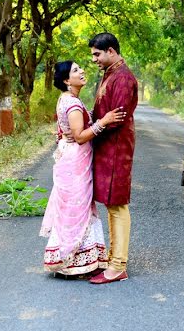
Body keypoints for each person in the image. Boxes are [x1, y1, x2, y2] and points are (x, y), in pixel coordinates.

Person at [40, 61, 125, 278]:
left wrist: (64, 134)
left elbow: (65, 130)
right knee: (77, 209)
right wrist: (104, 121)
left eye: (80, 68)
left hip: (71, 159)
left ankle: (75, 260)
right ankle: (73, 263)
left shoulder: (67, 99)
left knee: (75, 208)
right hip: (75, 163)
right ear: (67, 80)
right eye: (76, 70)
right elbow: (79, 137)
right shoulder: (73, 104)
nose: (82, 71)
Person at [87, 32, 138, 285]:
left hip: (117, 149)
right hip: (107, 148)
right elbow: (102, 113)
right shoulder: (110, 74)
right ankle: (112, 259)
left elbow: (115, 118)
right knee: (111, 203)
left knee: (118, 205)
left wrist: (90, 130)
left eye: (97, 54)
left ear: (111, 51)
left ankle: (118, 265)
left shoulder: (124, 78)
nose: (94, 59)